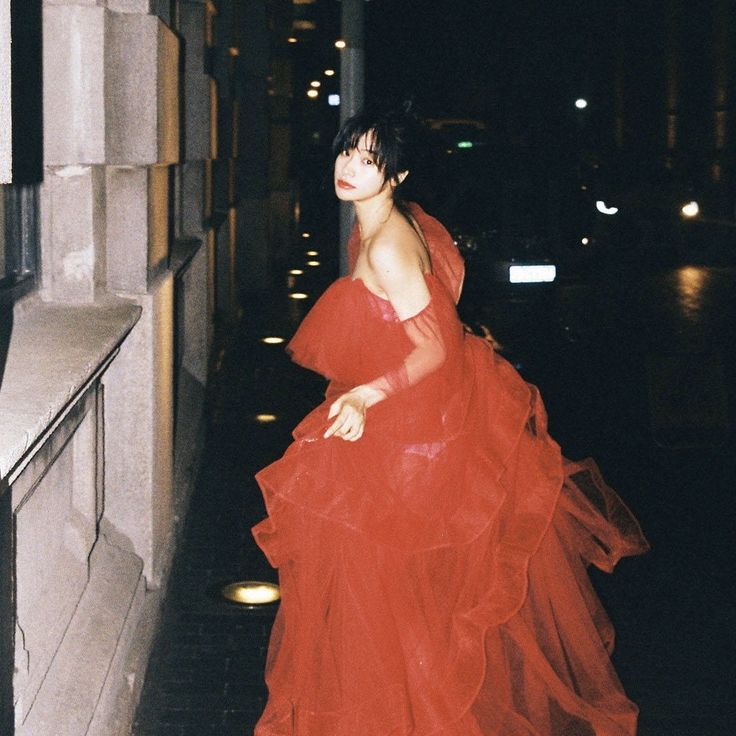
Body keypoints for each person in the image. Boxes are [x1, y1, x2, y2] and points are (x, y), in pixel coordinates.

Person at [252, 109, 649, 736]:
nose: (349, 168)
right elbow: (435, 310)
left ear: (396, 174)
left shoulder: (384, 244)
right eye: (346, 153)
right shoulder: (388, 225)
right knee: (407, 600)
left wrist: (364, 397)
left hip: (405, 434)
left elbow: (432, 348)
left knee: (388, 599)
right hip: (410, 424)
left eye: (369, 160)